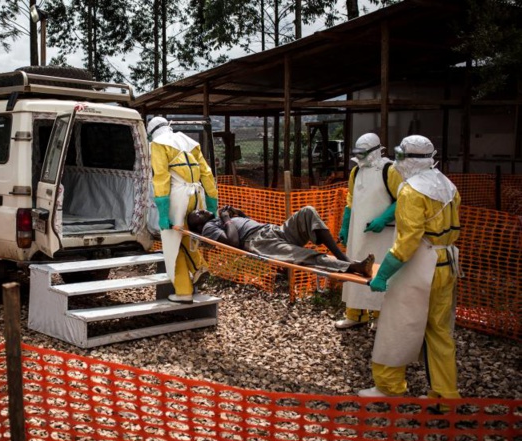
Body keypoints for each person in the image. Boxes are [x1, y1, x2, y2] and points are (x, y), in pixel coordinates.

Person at [359, 135, 461, 401]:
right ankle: (445, 394)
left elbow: (407, 243)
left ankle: (389, 386)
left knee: (396, 325)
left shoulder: (411, 190)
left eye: (400, 156)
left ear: (409, 159)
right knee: (439, 331)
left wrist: (382, 275)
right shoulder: (448, 185)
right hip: (447, 264)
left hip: (419, 266)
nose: (397, 161)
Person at [187, 205, 375, 277]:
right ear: (197, 226)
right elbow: (234, 242)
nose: (200, 210)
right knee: (304, 255)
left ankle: (344, 258)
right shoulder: (208, 228)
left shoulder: (216, 220)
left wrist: (239, 214)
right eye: (196, 214)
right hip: (259, 242)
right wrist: (227, 218)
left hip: (271, 230)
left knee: (307, 212)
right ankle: (351, 267)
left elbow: (246, 223)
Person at [336, 133, 403, 330]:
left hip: (383, 235)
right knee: (355, 268)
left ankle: (380, 317)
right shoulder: (355, 172)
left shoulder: (390, 170)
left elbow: (404, 198)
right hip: (359, 234)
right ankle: (355, 314)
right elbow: (351, 199)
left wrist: (384, 218)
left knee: (380, 271)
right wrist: (346, 225)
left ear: (375, 151)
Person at [148, 116, 218, 302]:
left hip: (177, 197)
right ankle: (198, 266)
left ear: (151, 133)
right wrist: (212, 205)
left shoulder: (157, 144)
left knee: (172, 245)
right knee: (188, 236)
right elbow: (207, 174)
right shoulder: (190, 142)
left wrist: (163, 212)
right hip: (197, 195)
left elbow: (161, 177)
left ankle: (183, 291)